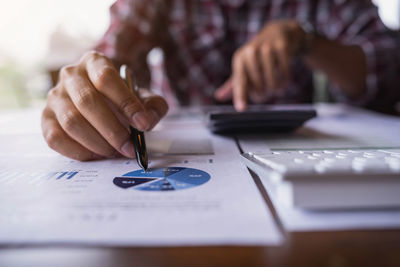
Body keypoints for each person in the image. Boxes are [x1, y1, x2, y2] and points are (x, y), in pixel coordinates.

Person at [41, 0, 400, 161]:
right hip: (188, 147)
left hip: (298, 155)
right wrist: (94, 82)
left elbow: (388, 65)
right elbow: (118, 46)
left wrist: (306, 40)